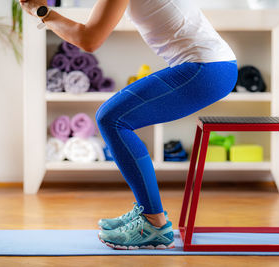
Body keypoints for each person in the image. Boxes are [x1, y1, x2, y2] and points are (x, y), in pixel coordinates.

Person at [19, 0, 237, 250]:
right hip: (212, 66)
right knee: (112, 116)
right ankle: (148, 212)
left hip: (205, 68)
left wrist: (41, 12)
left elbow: (89, 39)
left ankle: (154, 223)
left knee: (112, 117)